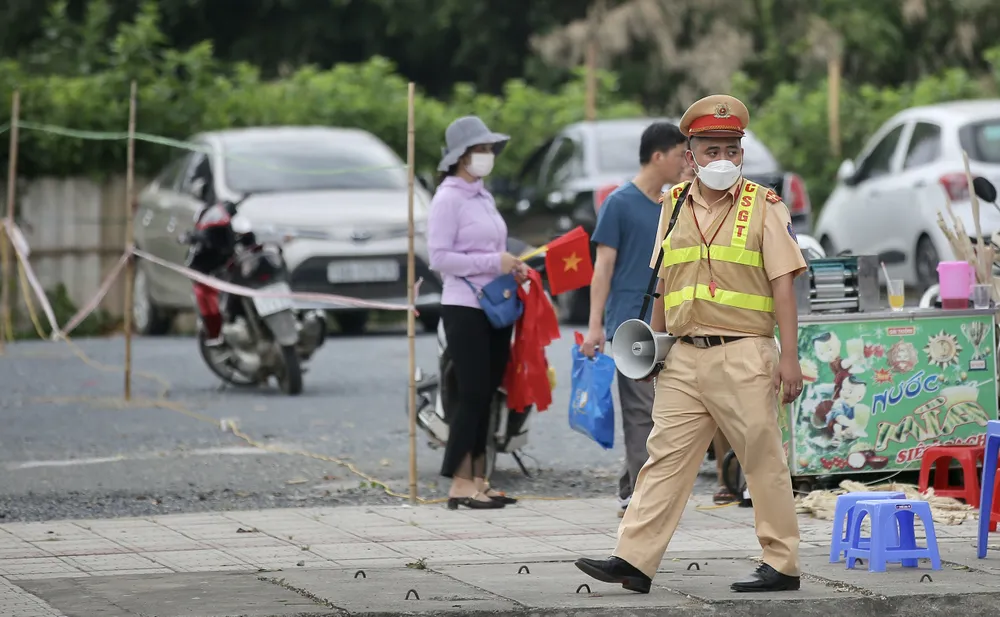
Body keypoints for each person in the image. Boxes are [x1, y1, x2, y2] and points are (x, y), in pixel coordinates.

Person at [575, 94, 806, 593]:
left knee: (762, 458)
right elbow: (663, 281)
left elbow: (784, 285)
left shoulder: (764, 206)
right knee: (664, 457)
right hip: (682, 354)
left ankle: (782, 563)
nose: (722, 159)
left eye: (731, 150)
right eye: (711, 150)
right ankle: (633, 560)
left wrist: (789, 358)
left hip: (744, 351)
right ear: (690, 155)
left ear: (741, 153)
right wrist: (656, 348)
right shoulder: (673, 204)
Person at [580, 122, 688, 518]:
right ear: (657, 156)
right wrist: (595, 326)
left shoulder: (677, 203)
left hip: (672, 320)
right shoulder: (619, 203)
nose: (686, 163)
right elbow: (602, 268)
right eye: (679, 155)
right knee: (641, 410)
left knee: (668, 409)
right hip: (631, 325)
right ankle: (643, 496)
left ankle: (632, 489)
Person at [427, 115, 527, 510]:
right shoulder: (447, 198)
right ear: (460, 156)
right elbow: (439, 258)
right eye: (480, 149)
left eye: (489, 149)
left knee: (487, 392)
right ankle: (459, 481)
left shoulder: (483, 196)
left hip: (495, 305)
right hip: (464, 306)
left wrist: (510, 266)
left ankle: (481, 479)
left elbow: (494, 250)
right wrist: (492, 262)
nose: (487, 155)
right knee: (469, 393)